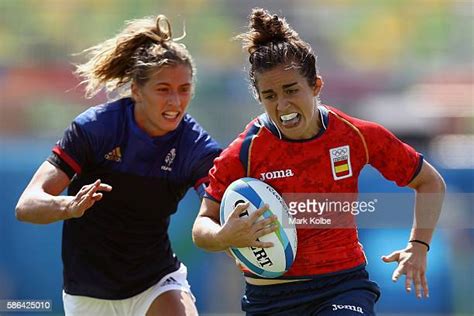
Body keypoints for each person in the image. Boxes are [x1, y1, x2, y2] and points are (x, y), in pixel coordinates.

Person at [192, 8, 446, 315]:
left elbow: (429, 181)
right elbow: (202, 225)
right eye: (270, 95)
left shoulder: (356, 135)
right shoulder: (244, 152)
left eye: (291, 90)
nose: (282, 104)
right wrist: (224, 236)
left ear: (316, 86)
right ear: (259, 98)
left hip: (343, 285)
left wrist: (418, 246)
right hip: (270, 299)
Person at [15, 14, 221, 316]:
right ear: (137, 90)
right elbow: (26, 205)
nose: (176, 101)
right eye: (163, 89)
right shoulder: (96, 129)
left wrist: (232, 228)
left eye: (184, 89)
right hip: (88, 293)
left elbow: (216, 208)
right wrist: (69, 207)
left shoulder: (196, 146)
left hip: (156, 281)